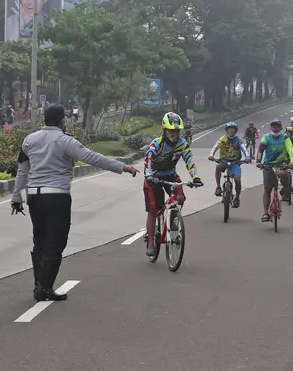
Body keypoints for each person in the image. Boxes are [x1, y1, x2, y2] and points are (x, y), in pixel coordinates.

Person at [10, 105, 139, 301]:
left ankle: (40, 284)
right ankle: (44, 288)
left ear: (44, 119)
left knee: (40, 240)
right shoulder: (65, 141)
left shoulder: (29, 140)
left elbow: (22, 170)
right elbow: (92, 158)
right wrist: (123, 166)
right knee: (56, 241)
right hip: (56, 197)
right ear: (63, 121)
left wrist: (16, 197)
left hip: (34, 197)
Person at [144, 112, 203, 258]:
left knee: (180, 198)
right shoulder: (157, 144)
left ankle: (172, 216)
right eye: (171, 132)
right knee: (153, 210)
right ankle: (151, 242)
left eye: (176, 132)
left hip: (170, 174)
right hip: (154, 178)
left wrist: (196, 177)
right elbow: (149, 159)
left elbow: (190, 160)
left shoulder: (182, 144)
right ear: (164, 130)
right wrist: (149, 175)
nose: (174, 135)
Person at [256, 119, 293, 222]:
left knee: (284, 174)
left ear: (281, 128)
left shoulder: (285, 137)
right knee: (267, 189)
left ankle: (285, 190)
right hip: (268, 164)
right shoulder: (267, 137)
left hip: (282, 163)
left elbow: (290, 149)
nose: (275, 128)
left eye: (277, 126)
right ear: (271, 128)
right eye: (273, 126)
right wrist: (258, 161)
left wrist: (292, 160)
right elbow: (260, 150)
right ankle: (266, 213)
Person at [208, 122, 251, 207]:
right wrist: (211, 155)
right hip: (224, 161)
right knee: (218, 167)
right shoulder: (222, 139)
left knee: (237, 180)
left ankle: (237, 198)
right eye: (229, 130)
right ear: (226, 131)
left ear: (235, 131)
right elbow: (215, 147)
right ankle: (218, 187)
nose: (231, 131)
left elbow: (244, 150)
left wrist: (248, 157)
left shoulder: (238, 140)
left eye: (233, 130)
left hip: (235, 162)